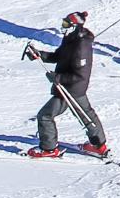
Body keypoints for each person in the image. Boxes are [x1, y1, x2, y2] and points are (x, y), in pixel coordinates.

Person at [22, 11, 109, 159]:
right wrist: (39, 55)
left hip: (71, 89)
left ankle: (49, 149)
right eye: (63, 23)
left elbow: (79, 75)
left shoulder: (80, 46)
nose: (63, 27)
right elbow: (58, 56)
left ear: (75, 26)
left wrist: (58, 77)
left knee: (45, 116)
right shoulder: (71, 39)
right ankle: (99, 146)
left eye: (66, 24)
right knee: (86, 115)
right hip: (70, 87)